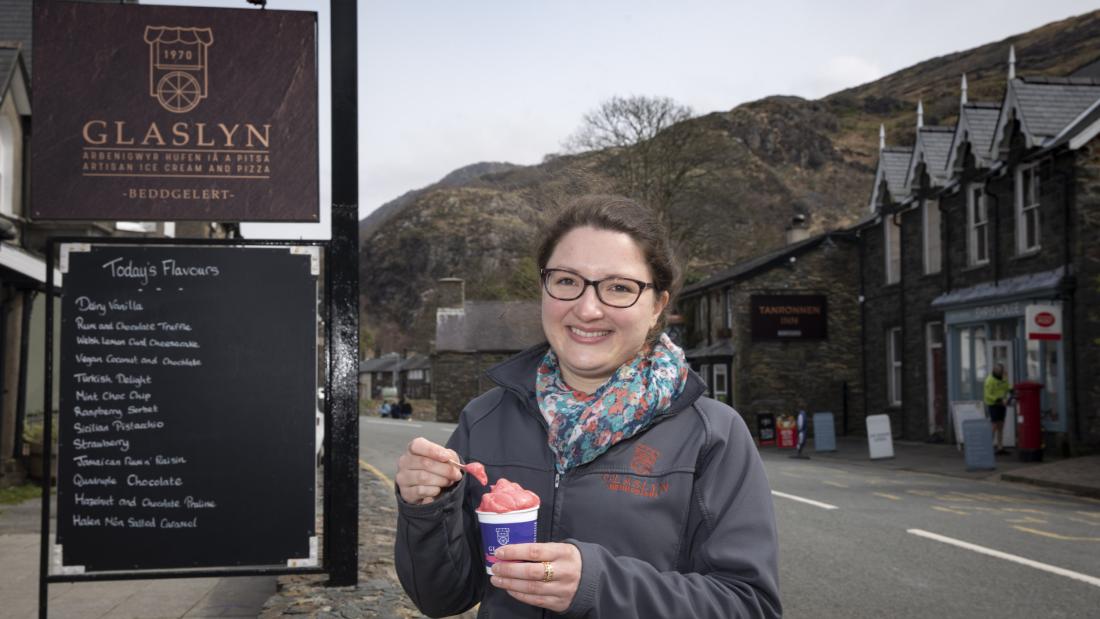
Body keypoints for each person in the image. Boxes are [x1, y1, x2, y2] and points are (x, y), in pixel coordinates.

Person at [394, 196, 781, 618]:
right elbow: (441, 598)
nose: (587, 308)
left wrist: (599, 586)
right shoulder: (484, 419)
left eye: (619, 287)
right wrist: (426, 507)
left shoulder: (713, 435)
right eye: (566, 281)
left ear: (656, 307)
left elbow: (750, 605)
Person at [984, 363, 1013, 455]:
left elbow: (1007, 386)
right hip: (993, 404)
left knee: (1001, 426)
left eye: (1003, 371)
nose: (1003, 373)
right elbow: (987, 395)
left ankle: (1000, 447)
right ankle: (988, 447)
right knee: (994, 426)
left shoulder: (1003, 378)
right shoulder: (989, 380)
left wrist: (1011, 389)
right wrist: (998, 399)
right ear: (996, 372)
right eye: (1001, 372)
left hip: (1002, 404)